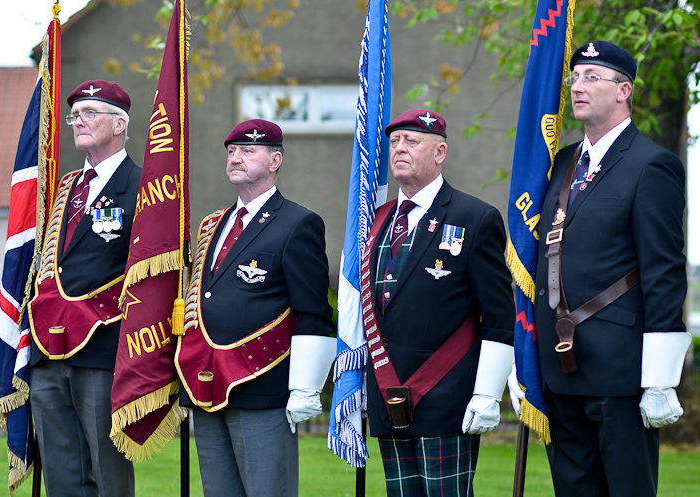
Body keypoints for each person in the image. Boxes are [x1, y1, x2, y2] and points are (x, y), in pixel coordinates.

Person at [516, 41, 691, 497]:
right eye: (575, 77)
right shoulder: (561, 166)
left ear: (623, 91)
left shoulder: (652, 165)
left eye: (593, 76)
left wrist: (659, 378)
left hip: (620, 372)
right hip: (561, 370)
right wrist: (524, 356)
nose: (578, 86)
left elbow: (664, 273)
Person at [175, 119, 337, 497]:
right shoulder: (213, 224)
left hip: (263, 383)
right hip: (209, 383)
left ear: (275, 160)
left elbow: (313, 311)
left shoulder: (298, 223)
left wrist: (305, 387)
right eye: (231, 152)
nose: (236, 158)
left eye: (248, 151)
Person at [363, 109, 515, 496]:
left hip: (447, 397)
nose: (400, 149)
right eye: (395, 142)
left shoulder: (474, 218)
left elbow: (499, 315)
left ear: (440, 151)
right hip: (388, 394)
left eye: (412, 141)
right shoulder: (376, 221)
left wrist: (486, 393)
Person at [28, 80, 141, 496]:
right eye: (75, 115)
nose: (78, 122)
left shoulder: (145, 189)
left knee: (107, 472)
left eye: (90, 114)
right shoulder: (64, 188)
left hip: (103, 348)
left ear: (118, 124)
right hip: (48, 348)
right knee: (61, 473)